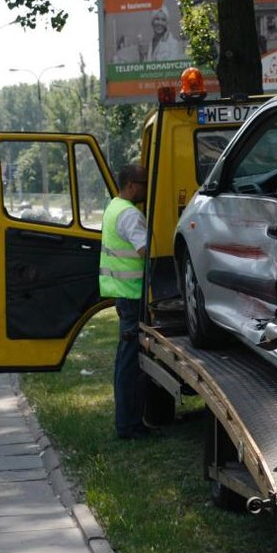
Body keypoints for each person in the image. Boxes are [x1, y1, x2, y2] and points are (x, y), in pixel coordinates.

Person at [100, 164, 153, 439]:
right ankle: (129, 426)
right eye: (145, 183)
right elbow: (146, 251)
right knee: (130, 365)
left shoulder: (114, 207)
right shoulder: (131, 215)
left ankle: (129, 423)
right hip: (133, 296)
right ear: (132, 184)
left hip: (124, 294)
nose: (147, 188)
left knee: (126, 361)